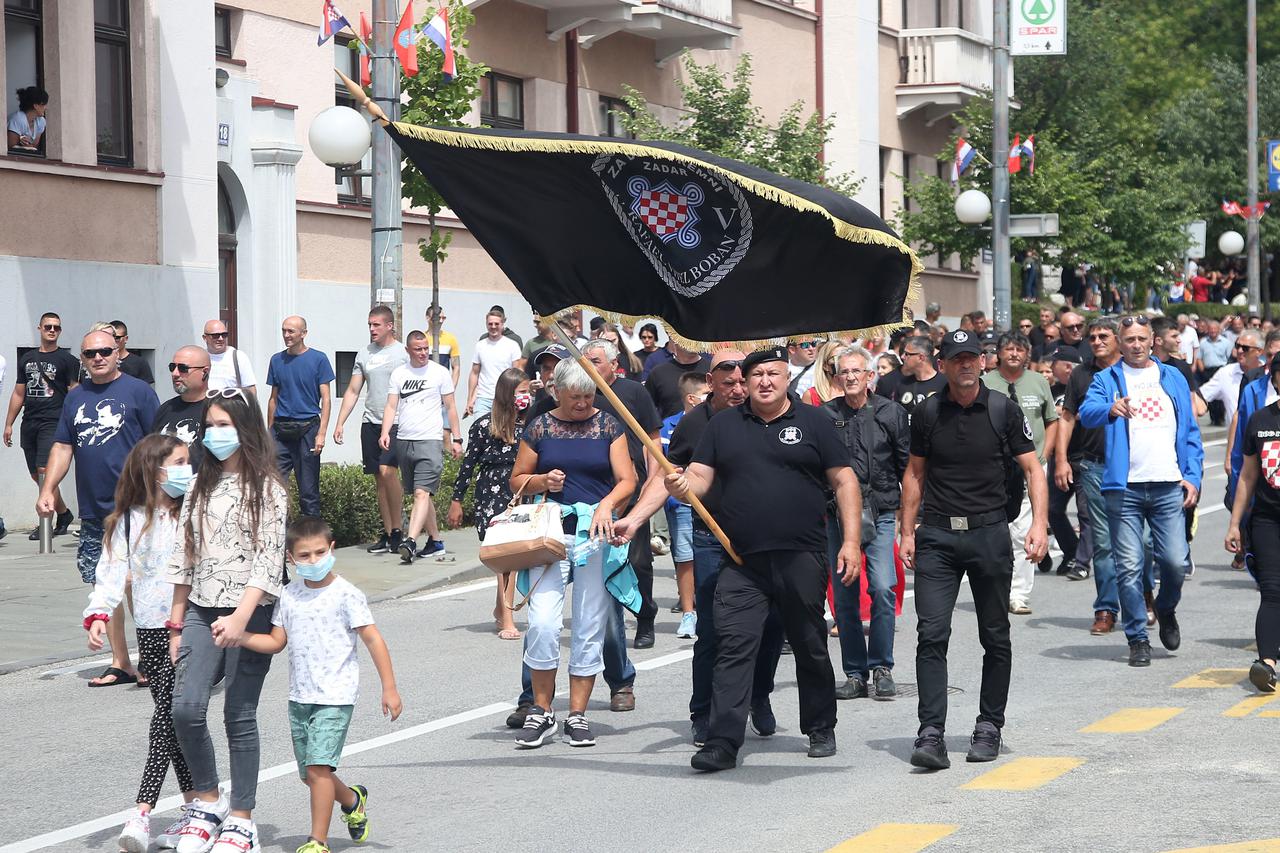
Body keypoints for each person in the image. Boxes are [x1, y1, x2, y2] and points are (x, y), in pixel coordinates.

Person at [665, 346, 862, 771]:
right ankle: (722, 741)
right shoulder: (723, 426)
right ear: (745, 380)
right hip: (742, 560)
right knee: (733, 646)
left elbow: (844, 480)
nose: (764, 382)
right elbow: (699, 476)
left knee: (809, 642)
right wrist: (683, 487)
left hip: (801, 555)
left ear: (786, 376)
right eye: (756, 375)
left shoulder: (814, 422)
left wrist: (849, 542)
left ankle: (820, 726)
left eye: (773, 374)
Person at [614, 349, 784, 745]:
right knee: (712, 628)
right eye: (729, 382)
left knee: (772, 626)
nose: (740, 389)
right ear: (710, 382)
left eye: (744, 381)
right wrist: (636, 518)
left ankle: (759, 696)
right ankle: (703, 712)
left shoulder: (766, 415)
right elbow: (666, 476)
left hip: (763, 539)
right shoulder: (693, 424)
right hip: (712, 538)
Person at [901, 330, 1047, 770]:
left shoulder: (1003, 409)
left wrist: (1039, 525)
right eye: (956, 358)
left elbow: (1032, 470)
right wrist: (907, 531)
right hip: (939, 537)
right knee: (931, 635)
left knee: (994, 635)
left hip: (988, 534)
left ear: (982, 364)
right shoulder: (927, 412)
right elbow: (914, 474)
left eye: (972, 358)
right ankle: (931, 733)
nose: (965, 365)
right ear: (943, 364)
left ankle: (989, 727)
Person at [167, 387, 289, 853]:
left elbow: (267, 560)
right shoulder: (199, 482)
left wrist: (241, 617)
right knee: (185, 707)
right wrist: (176, 625)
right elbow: (184, 555)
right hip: (200, 606)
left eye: (224, 425)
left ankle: (242, 819)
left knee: (238, 714)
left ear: (245, 428)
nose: (215, 434)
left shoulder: (269, 488)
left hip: (250, 611)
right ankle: (209, 799)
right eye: (210, 426)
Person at [237, 517, 402, 853]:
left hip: (335, 695)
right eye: (304, 555)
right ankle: (353, 799)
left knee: (318, 768)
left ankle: (318, 841)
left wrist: (390, 688)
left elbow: (373, 640)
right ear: (290, 557)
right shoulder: (288, 595)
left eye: (318, 553)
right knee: (311, 776)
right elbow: (276, 642)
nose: (312, 561)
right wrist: (239, 635)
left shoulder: (346, 594)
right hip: (300, 696)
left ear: (332, 549)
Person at [508, 358, 639, 748]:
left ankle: (578, 715)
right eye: (575, 396)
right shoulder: (540, 426)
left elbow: (627, 479)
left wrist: (606, 505)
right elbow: (517, 479)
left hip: (594, 536)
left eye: (589, 395)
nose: (583, 403)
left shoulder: (608, 425)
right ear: (557, 392)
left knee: (588, 625)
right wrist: (542, 480)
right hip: (550, 534)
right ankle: (542, 710)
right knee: (544, 623)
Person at [82, 434, 196, 853]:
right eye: (179, 462)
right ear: (154, 471)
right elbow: (110, 570)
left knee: (170, 714)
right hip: (151, 628)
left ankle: (142, 811)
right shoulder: (129, 520)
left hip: (194, 624)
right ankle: (196, 807)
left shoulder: (196, 511)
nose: (188, 469)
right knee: (174, 717)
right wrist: (97, 614)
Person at [1078, 315, 1203, 667]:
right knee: (1129, 566)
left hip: (1167, 485)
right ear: (1120, 341)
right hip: (1125, 489)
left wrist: (1192, 477)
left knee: (1175, 563)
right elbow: (1087, 413)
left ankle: (1165, 606)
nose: (1136, 345)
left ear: (1153, 342)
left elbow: (1190, 431)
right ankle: (1137, 637)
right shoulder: (1108, 378)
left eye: (1142, 339)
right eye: (1129, 339)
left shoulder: (1173, 376)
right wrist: (1109, 408)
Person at [39, 328, 160, 685]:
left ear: (118, 351)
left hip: (137, 507)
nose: (98, 358)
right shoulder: (75, 398)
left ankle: (151, 660)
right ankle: (120, 661)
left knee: (139, 585)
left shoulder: (139, 392)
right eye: (90, 354)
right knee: (102, 584)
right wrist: (49, 488)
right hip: (95, 512)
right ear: (83, 358)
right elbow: (63, 447)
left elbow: (159, 447)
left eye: (105, 351)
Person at [823, 346, 909, 701]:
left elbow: (909, 467)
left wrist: (911, 522)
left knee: (883, 588)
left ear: (870, 375)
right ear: (837, 377)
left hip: (882, 511)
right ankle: (855, 672)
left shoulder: (891, 413)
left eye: (858, 371)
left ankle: (882, 666)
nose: (852, 377)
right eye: (845, 372)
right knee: (843, 596)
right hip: (837, 516)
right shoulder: (825, 415)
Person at [450, 367, 530, 639]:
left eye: (528, 392)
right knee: (504, 557)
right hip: (491, 493)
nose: (526, 397)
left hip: (520, 491)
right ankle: (507, 618)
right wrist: (456, 500)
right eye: (521, 392)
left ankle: (501, 609)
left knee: (513, 557)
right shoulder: (484, 426)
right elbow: (468, 466)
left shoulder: (531, 425)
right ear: (507, 394)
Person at [982, 332, 1059, 615]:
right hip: (994, 466)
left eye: (1019, 349)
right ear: (998, 354)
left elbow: (1052, 420)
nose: (1013, 354)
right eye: (1008, 349)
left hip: (1032, 465)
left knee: (1024, 531)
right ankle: (995, 588)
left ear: (1027, 354)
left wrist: (1045, 454)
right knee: (997, 530)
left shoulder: (1039, 382)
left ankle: (1019, 593)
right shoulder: (986, 383)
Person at [1056, 319, 1123, 631]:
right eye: (1092, 337)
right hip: (1094, 466)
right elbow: (1067, 418)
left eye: (1103, 336)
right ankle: (1106, 609)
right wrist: (1061, 460)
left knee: (1146, 542)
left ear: (1118, 339)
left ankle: (1145, 593)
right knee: (1104, 541)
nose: (1096, 341)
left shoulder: (1136, 371)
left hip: (1137, 469)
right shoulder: (1081, 374)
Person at [381, 331, 463, 563]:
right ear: (408, 351)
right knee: (421, 495)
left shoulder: (439, 372)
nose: (424, 353)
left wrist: (457, 438)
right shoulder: (399, 373)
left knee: (421, 492)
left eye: (426, 348)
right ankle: (436, 541)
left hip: (430, 440)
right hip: (405, 440)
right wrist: (385, 432)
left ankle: (410, 540)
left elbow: (451, 407)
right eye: (418, 349)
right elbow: (390, 406)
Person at [333, 306, 408, 555]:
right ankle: (387, 533)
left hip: (397, 422)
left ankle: (398, 529)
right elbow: (353, 390)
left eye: (376, 325)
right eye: (369, 325)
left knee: (388, 472)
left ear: (389, 326)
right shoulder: (364, 354)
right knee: (378, 476)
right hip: (371, 421)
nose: (372, 329)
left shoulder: (402, 353)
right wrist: (340, 421)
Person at [1226, 357, 1280, 694]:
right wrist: (1235, 524)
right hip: (1267, 519)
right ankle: (1267, 665)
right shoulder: (1260, 420)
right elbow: (1247, 476)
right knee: (1272, 590)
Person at [5, 311, 79, 538]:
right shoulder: (27, 358)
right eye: (48, 326)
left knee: (45, 471)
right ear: (40, 328)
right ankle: (64, 513)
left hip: (53, 421)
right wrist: (9, 424)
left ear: (60, 331)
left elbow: (74, 392)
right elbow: (19, 392)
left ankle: (45, 526)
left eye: (56, 327)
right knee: (36, 475)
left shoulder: (68, 360)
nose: (52, 330)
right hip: (30, 421)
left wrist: (72, 423)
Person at [266, 316, 334, 519]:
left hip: (308, 428)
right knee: (274, 487)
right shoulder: (276, 360)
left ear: (303, 333)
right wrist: (269, 432)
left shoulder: (318, 359)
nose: (286, 335)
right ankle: (278, 537)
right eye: (284, 330)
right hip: (281, 429)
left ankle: (312, 539)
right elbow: (273, 399)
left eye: (291, 331)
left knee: (308, 491)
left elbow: (326, 399)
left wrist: (321, 434)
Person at [658, 371, 709, 638]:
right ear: (692, 398)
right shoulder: (670, 426)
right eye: (706, 394)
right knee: (685, 558)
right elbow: (665, 467)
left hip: (713, 502)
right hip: (682, 504)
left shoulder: (718, 420)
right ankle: (689, 612)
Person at [1045, 348, 1092, 579]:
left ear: (1067, 366)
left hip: (1084, 455)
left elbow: (1082, 413)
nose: (1051, 367)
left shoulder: (1085, 384)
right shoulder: (1050, 390)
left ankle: (1082, 562)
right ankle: (1071, 551)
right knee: (1052, 509)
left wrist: (1062, 412)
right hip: (1059, 457)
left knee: (1085, 512)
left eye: (1055, 363)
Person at [152, 346, 212, 469]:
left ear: (204, 372)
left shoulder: (217, 410)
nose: (175, 373)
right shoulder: (166, 409)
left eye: (183, 368)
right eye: (172, 367)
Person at [466, 310, 523, 418]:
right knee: (479, 432)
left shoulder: (512, 345)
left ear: (502, 325)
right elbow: (474, 373)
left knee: (502, 433)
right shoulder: (480, 345)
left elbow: (517, 374)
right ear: (486, 324)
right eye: (490, 324)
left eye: (496, 324)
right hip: (483, 399)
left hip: (504, 399)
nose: (493, 326)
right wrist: (470, 399)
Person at [647, 343, 712, 418]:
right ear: (675, 338)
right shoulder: (658, 373)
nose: (692, 340)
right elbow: (647, 411)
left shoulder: (712, 370)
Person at [894, 335, 947, 417]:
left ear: (921, 357)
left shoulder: (945, 383)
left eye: (907, 354)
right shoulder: (902, 383)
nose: (902, 357)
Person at [202, 321, 256, 393]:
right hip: (207, 403)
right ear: (205, 338)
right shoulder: (201, 358)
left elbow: (250, 388)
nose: (220, 338)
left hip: (232, 403)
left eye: (224, 335)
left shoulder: (238, 357)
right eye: (215, 335)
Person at [425, 305, 462, 390]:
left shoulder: (450, 339)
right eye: (437, 318)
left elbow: (456, 367)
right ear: (428, 318)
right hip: (425, 388)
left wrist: (451, 388)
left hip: (443, 388)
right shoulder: (422, 339)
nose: (441, 321)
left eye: (443, 318)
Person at [111, 321, 155, 385]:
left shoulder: (139, 363)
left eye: (117, 338)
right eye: (110, 337)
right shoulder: (103, 361)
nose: (113, 341)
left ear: (126, 339)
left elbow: (145, 390)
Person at [801, 341, 844, 406]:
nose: (843, 362)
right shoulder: (812, 395)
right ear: (825, 366)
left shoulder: (859, 390)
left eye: (847, 356)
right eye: (837, 358)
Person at [7, 85, 47, 151]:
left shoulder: (41, 121)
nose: (46, 108)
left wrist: (28, 145)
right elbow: (11, 146)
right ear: (36, 106)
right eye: (44, 104)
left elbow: (34, 146)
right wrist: (20, 142)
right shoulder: (17, 119)